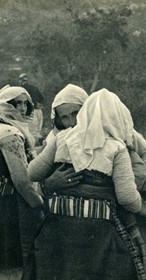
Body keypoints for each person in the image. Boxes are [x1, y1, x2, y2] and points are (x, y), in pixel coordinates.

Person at [28, 88, 146, 280]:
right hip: (93, 228)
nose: (72, 121)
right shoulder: (115, 146)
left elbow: (32, 171)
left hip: (64, 227)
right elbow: (127, 197)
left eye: (76, 113)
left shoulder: (65, 138)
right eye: (65, 117)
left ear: (86, 110)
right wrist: (49, 184)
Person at [0, 85, 44, 280]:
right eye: (16, 103)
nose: (22, 108)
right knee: (10, 267)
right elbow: (22, 180)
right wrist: (39, 204)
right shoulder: (9, 133)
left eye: (25, 103)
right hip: (9, 207)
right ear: (5, 105)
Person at [19, 73, 44, 145]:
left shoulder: (21, 90)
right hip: (38, 112)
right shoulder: (34, 88)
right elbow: (42, 99)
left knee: (30, 134)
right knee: (37, 132)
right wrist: (38, 105)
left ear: (21, 81)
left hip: (29, 114)